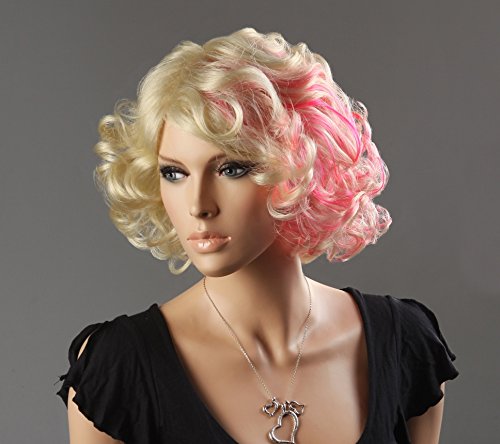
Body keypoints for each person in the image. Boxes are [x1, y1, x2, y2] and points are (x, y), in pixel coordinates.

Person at [57, 28, 458, 444]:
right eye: (174, 173)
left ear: (299, 168)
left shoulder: (404, 343)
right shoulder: (120, 369)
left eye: (231, 169)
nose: (198, 205)